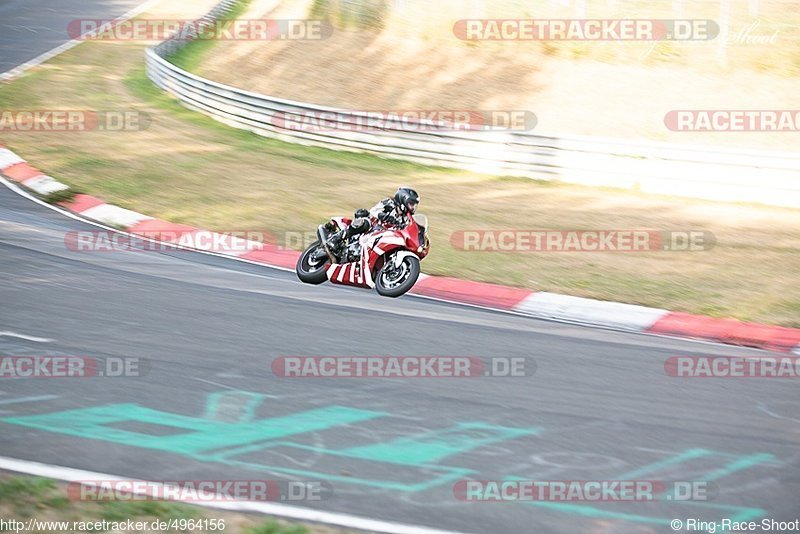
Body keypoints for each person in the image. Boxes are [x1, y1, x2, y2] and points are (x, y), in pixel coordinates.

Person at [324, 187, 420, 260]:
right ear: (403, 199)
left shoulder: (404, 218)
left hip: (382, 237)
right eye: (411, 204)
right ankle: (335, 239)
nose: (412, 207)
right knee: (365, 223)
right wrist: (387, 217)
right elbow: (374, 211)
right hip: (371, 229)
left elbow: (408, 228)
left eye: (414, 205)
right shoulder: (389, 203)